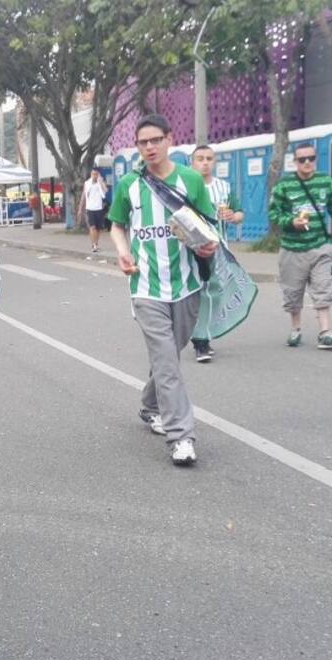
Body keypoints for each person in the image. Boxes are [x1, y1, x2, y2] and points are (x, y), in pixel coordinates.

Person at [107, 114, 218, 466]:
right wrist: (123, 253)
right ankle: (181, 436)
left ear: (170, 139)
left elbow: (206, 225)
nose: (150, 147)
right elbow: (117, 225)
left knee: (170, 353)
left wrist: (206, 246)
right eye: (143, 142)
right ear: (137, 147)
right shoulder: (129, 184)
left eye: (156, 140)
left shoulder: (189, 180)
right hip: (145, 287)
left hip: (186, 285)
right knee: (168, 360)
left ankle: (150, 404)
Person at [269, 142, 332, 350]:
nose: (307, 162)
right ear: (295, 162)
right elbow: (273, 214)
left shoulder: (326, 182)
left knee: (322, 288)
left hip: (320, 246)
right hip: (292, 248)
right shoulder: (283, 186)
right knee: (293, 292)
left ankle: (325, 333)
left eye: (311, 158)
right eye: (302, 159)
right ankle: (295, 329)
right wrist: (291, 222)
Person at [189, 144, 245, 363]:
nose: (205, 163)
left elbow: (239, 213)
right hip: (192, 248)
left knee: (215, 293)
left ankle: (202, 337)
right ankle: (199, 340)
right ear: (192, 162)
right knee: (197, 293)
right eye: (200, 158)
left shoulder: (223, 187)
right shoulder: (186, 186)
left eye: (209, 158)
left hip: (218, 249)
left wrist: (233, 216)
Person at [80, 168, 109, 252]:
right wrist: (80, 208)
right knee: (92, 227)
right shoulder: (87, 183)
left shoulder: (100, 183)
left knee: (98, 228)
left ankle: (96, 243)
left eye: (96, 174)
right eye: (93, 174)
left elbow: (106, 191)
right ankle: (93, 245)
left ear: (98, 175)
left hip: (99, 208)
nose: (94, 176)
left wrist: (100, 182)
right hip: (90, 208)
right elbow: (84, 195)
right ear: (91, 174)